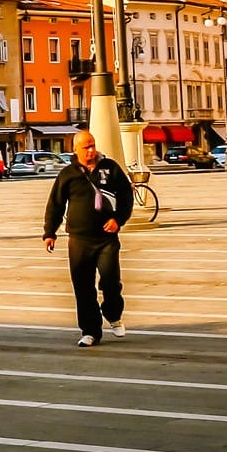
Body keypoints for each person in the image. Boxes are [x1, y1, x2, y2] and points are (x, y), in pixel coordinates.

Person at [42, 130, 134, 347]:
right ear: (75, 150)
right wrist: (49, 233)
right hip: (79, 240)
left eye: (93, 145)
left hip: (106, 239)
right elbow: (55, 204)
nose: (91, 150)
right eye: (86, 147)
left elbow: (126, 196)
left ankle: (113, 314)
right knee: (83, 287)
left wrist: (118, 220)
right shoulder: (68, 174)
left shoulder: (110, 168)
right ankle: (90, 331)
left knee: (111, 281)